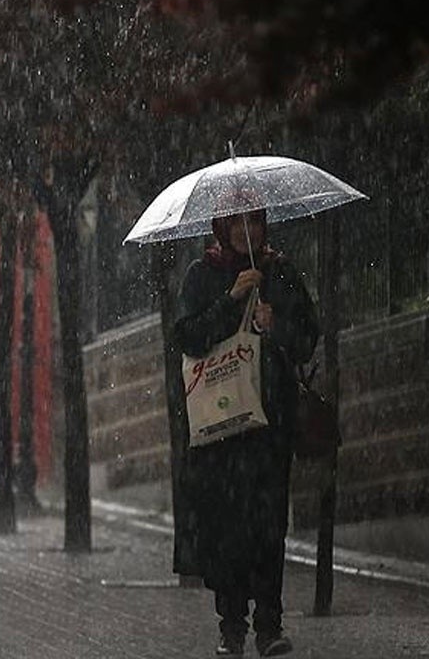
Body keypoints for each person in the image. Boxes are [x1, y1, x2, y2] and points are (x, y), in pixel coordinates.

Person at [174, 209, 319, 658]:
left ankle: (269, 626)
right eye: (235, 223)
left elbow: (307, 339)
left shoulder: (279, 272)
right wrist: (230, 301)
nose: (245, 231)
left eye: (253, 221)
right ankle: (231, 626)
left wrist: (276, 326)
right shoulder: (203, 274)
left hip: (269, 425)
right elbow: (188, 337)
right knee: (228, 528)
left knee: (269, 525)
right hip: (221, 430)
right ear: (222, 228)